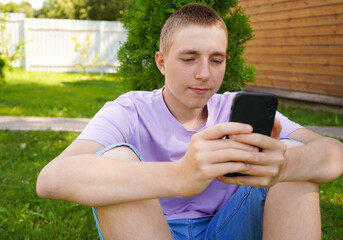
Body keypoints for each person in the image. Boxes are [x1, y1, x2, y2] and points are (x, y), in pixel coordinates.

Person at [36, 3, 343, 240]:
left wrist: (283, 166)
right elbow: (51, 179)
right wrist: (180, 176)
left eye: (216, 60)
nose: (204, 74)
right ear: (161, 62)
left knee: (291, 152)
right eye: (189, 58)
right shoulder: (129, 110)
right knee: (116, 159)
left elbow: (333, 153)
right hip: (151, 228)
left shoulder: (234, 108)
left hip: (231, 224)